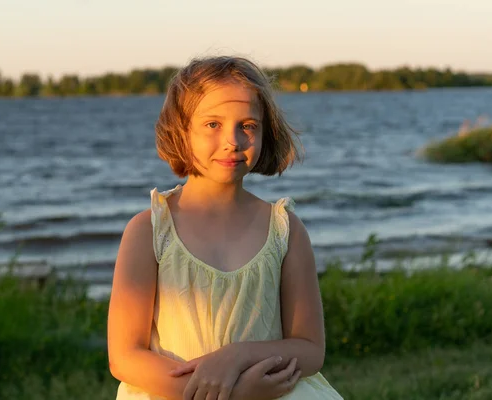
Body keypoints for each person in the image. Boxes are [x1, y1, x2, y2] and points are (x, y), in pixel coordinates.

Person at [107, 55, 343, 400]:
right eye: (212, 124)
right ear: (181, 130)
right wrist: (231, 395)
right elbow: (125, 356)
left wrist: (239, 355)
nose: (232, 140)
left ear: (266, 131)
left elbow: (309, 349)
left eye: (247, 125)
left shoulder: (284, 231)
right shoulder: (150, 231)